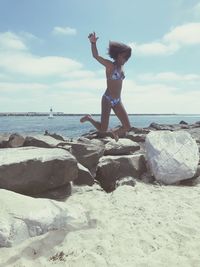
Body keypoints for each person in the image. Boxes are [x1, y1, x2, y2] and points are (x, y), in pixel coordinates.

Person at [80, 32, 132, 141]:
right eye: (124, 57)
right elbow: (96, 56)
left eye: (127, 58)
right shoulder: (110, 65)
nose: (126, 60)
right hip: (107, 99)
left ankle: (114, 133)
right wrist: (93, 43)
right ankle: (89, 118)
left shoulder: (122, 66)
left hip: (117, 100)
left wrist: (116, 132)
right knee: (103, 130)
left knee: (127, 126)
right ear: (118, 55)